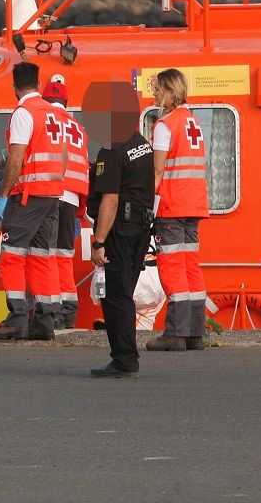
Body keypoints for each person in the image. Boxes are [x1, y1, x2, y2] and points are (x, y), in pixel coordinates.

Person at [0, 62, 67, 342]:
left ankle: (18, 317)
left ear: (14, 87)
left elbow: (16, 159)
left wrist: (2, 196)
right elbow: (64, 156)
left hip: (28, 195)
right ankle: (44, 320)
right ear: (39, 82)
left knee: (12, 255)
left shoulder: (24, 113)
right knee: (41, 257)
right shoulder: (53, 113)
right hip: (52, 195)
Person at [81, 81, 155, 378]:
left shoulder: (111, 151)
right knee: (124, 290)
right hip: (140, 226)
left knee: (117, 295)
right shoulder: (141, 143)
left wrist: (98, 242)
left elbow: (110, 200)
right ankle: (126, 357)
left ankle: (124, 359)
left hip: (121, 230)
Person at [147, 68, 210, 352]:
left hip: (172, 204)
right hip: (194, 204)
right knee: (190, 266)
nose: (155, 94)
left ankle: (175, 333)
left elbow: (157, 170)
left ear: (171, 92)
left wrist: (145, 204)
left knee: (172, 266)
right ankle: (196, 333)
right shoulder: (192, 122)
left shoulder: (166, 125)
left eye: (159, 90)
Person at [42, 75, 90, 329]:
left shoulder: (43, 119)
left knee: (45, 257)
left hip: (48, 196)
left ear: (44, 100)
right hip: (71, 199)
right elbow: (82, 169)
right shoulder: (78, 129)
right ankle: (68, 312)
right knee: (63, 257)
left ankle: (50, 311)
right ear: (66, 101)